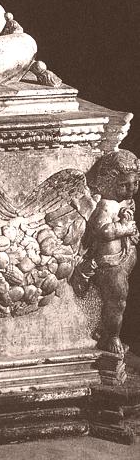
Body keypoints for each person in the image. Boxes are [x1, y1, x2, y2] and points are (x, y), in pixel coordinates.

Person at [74, 151, 140, 354]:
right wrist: (125, 228)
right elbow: (103, 230)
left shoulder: (125, 201)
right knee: (117, 301)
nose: (131, 190)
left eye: (135, 183)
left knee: (119, 299)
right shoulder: (105, 205)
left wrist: (131, 232)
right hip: (109, 264)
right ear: (109, 183)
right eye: (124, 185)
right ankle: (111, 337)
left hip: (123, 259)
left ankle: (105, 330)